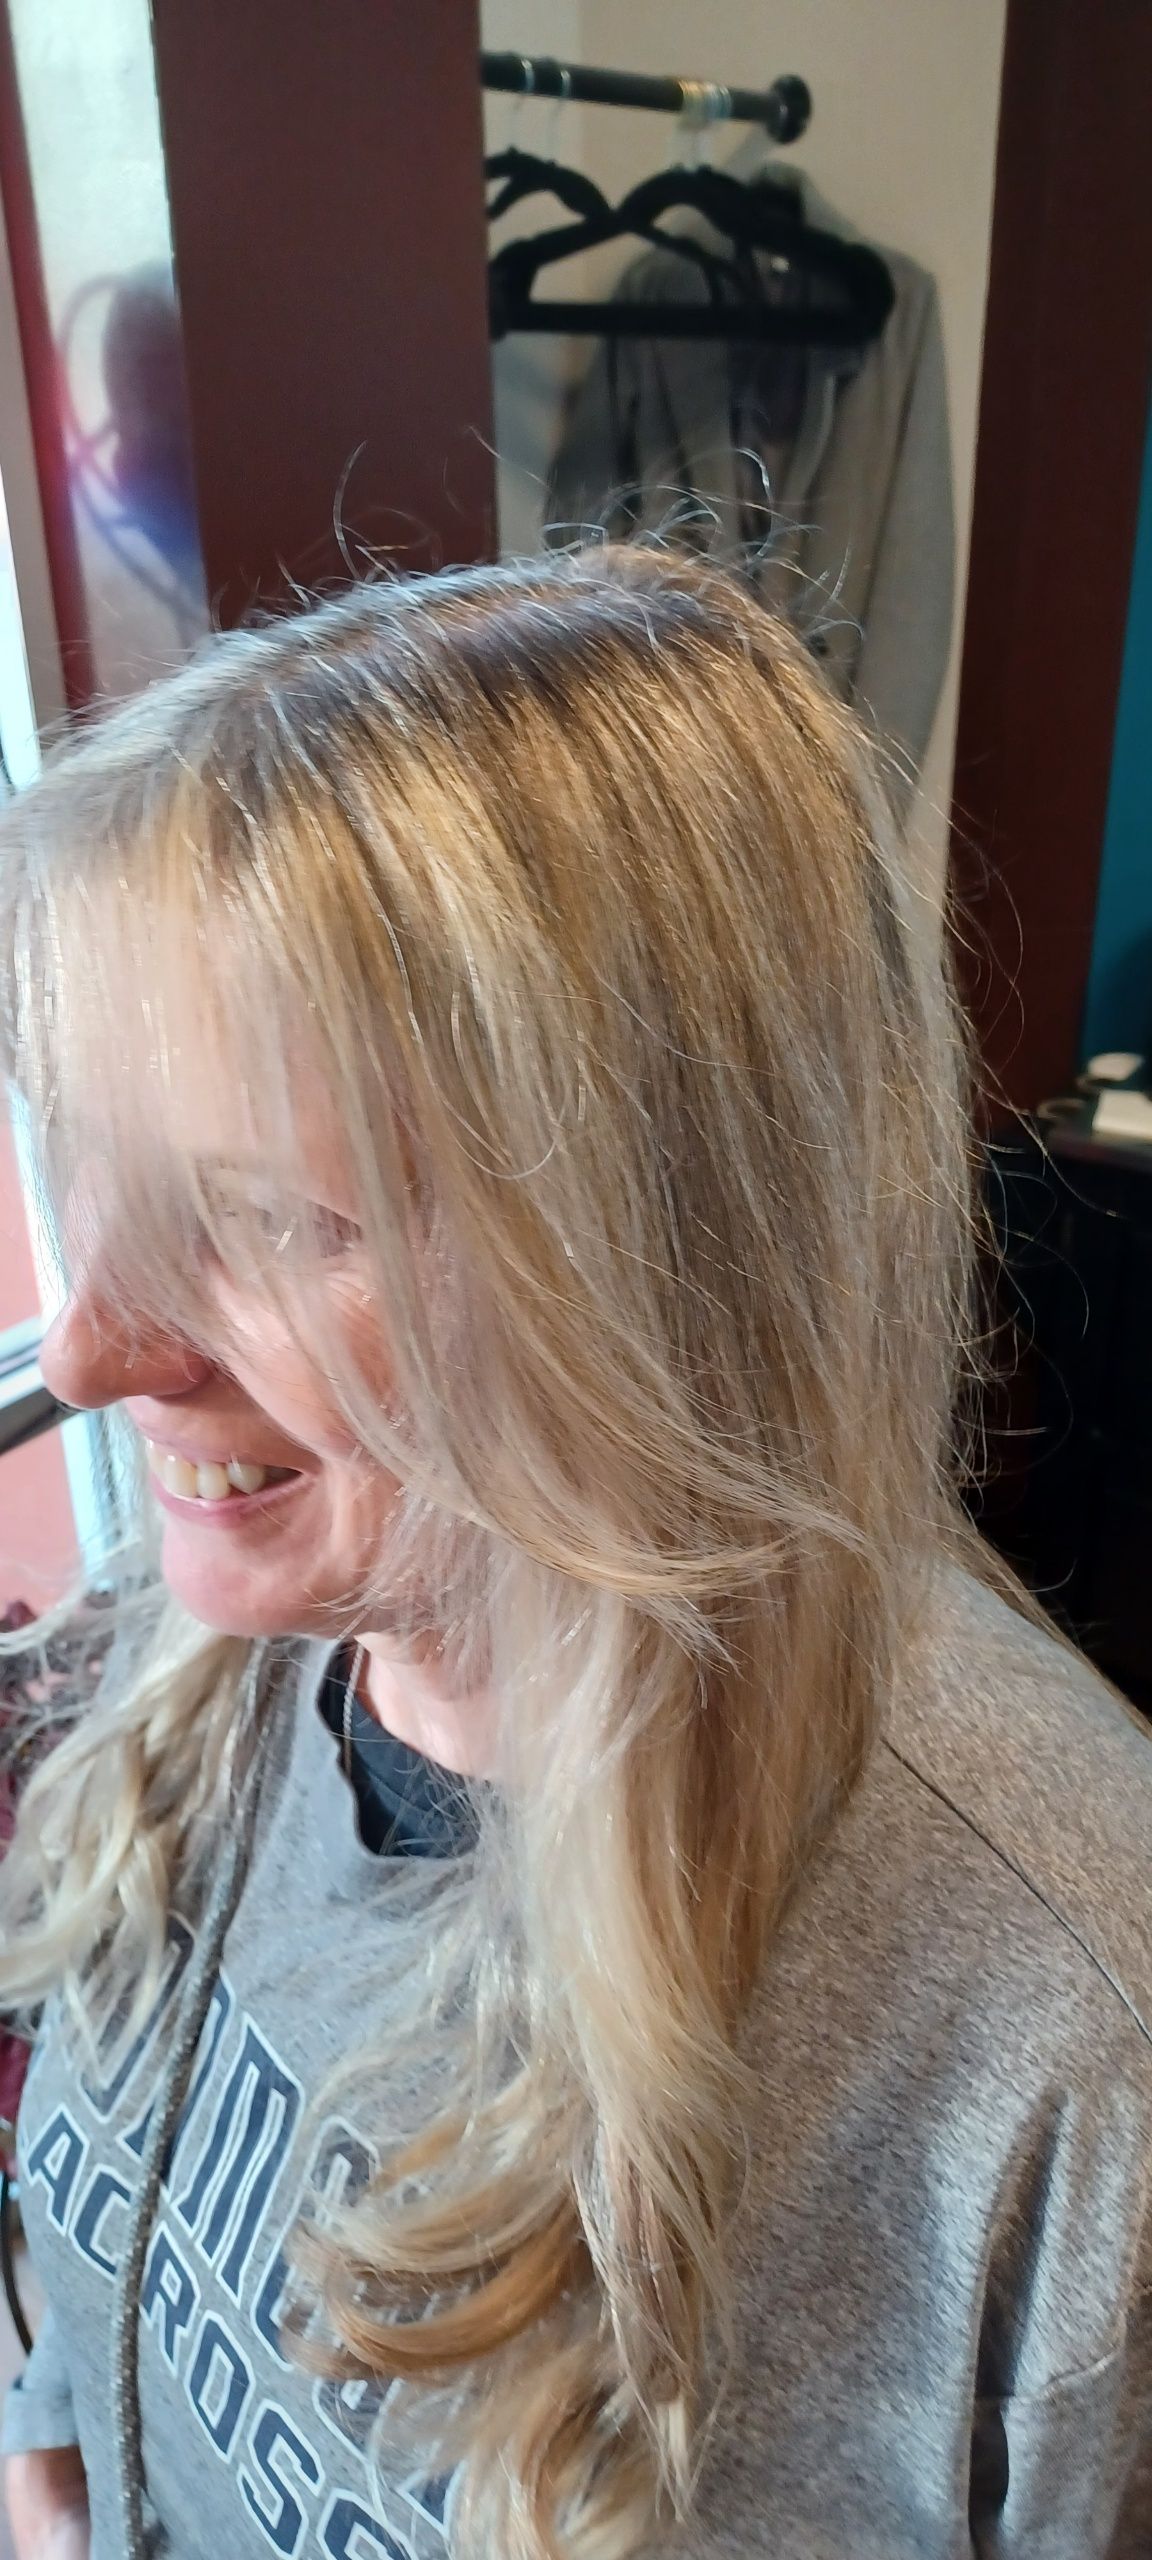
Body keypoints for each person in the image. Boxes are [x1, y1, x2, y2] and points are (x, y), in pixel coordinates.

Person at [0, 543, 1148, 2560]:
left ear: (660, 1254)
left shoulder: (1069, 2061)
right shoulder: (211, 1647)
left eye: (266, 1217)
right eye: (117, 1177)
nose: (96, 1348)